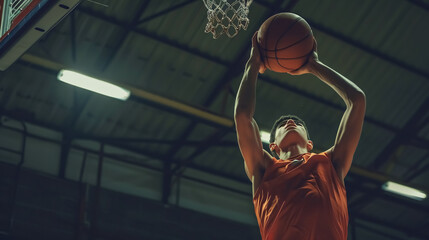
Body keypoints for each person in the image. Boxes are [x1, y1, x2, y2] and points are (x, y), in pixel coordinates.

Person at [234, 32, 366, 240]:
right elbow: (242, 116)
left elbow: (357, 100)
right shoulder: (264, 169)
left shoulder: (331, 163)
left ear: (310, 143)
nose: (290, 122)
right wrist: (252, 64)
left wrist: (314, 66)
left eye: (298, 123)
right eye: (282, 125)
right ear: (273, 146)